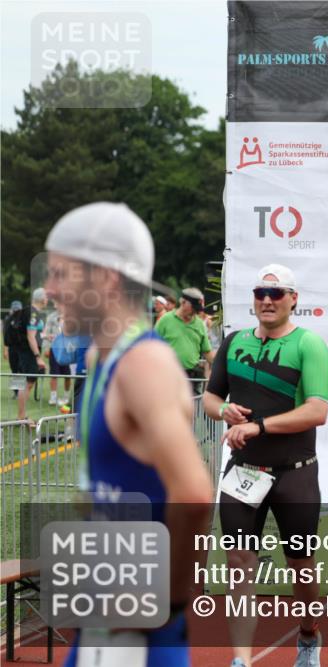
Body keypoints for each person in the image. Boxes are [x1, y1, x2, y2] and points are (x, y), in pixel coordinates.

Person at [44, 201, 213, 666]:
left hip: (139, 638)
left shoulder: (143, 364)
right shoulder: (103, 359)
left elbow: (195, 495)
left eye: (61, 274)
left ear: (106, 279)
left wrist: (168, 604)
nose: (49, 288)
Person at [203, 264, 328, 667]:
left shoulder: (309, 345)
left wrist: (258, 426)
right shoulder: (234, 342)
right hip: (243, 473)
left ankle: (309, 636)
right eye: (261, 292)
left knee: (301, 567)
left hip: (295, 473)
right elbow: (210, 398)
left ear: (294, 299)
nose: (267, 300)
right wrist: (224, 409)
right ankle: (241, 658)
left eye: (277, 294)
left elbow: (317, 411)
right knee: (240, 564)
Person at [155, 287, 214, 393]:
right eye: (193, 308)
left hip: (191, 378)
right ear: (183, 302)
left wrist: (222, 366)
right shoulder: (165, 320)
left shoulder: (199, 324)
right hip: (168, 375)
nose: (195, 312)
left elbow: (207, 352)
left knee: (191, 408)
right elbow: (152, 346)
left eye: (197, 309)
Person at [6, 288, 48, 422]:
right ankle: (21, 416)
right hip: (28, 353)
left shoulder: (29, 311)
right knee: (28, 383)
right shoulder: (33, 313)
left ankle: (21, 416)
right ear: (42, 299)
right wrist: (38, 357)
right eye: (46, 297)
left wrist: (47, 336)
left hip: (23, 351)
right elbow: (30, 337)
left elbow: (33, 333)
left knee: (26, 383)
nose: (47, 300)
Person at [43, 303, 73, 406]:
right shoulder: (51, 317)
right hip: (54, 349)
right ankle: (53, 397)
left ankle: (66, 397)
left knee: (67, 375)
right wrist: (46, 347)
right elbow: (46, 333)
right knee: (54, 374)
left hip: (67, 351)